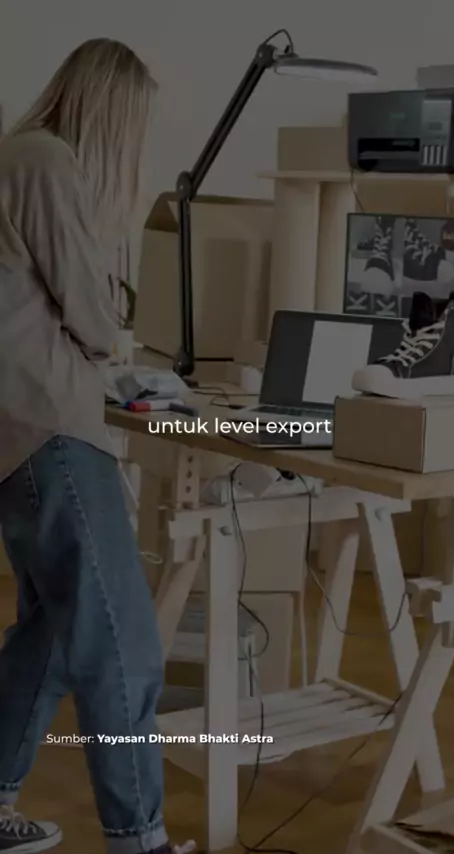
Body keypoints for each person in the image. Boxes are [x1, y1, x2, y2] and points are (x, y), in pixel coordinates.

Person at [0, 39, 179, 854]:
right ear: (111, 115)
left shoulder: (18, 158)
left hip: (22, 436)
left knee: (48, 637)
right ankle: (138, 840)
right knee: (122, 643)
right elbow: (98, 322)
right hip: (53, 433)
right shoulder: (43, 160)